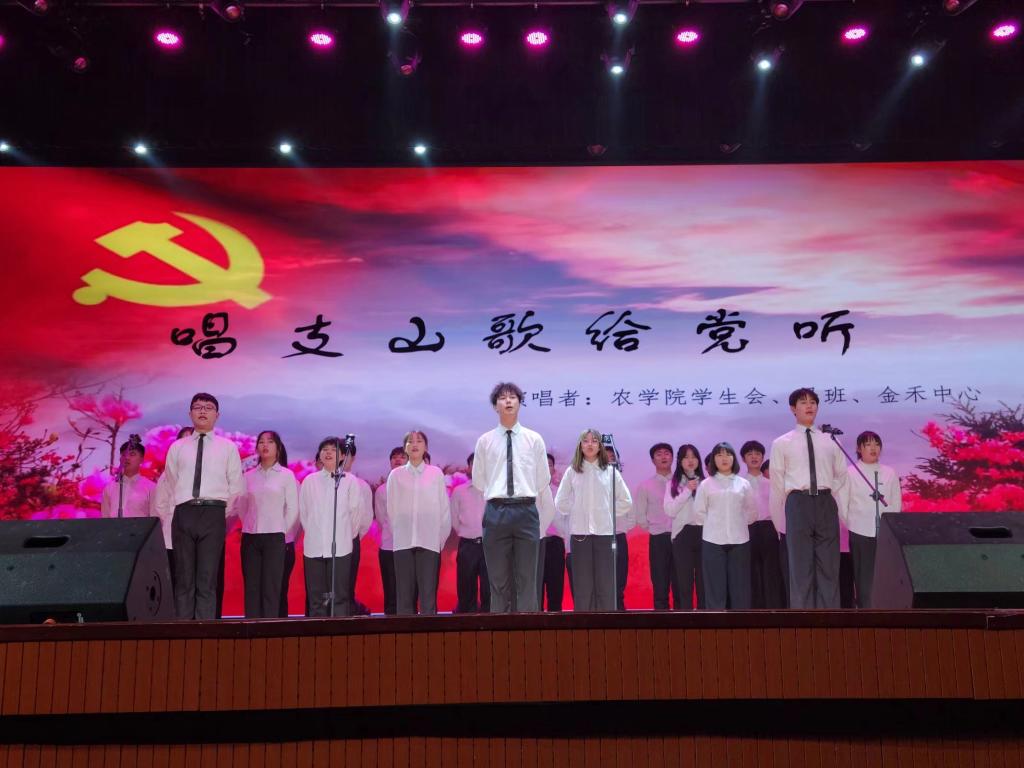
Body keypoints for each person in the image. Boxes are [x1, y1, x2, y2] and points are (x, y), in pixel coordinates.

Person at [471, 382, 554, 613]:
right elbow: (479, 480)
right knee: (498, 580)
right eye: (502, 398)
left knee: (527, 579)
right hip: (496, 512)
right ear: (495, 406)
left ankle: (529, 629)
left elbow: (542, 479)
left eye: (513, 397)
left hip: (526, 511)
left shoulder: (533, 439)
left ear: (519, 403)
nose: (508, 401)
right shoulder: (485, 441)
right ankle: (499, 630)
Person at [162, 394, 243, 620]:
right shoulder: (177, 447)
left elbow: (236, 487)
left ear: (217, 415)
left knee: (207, 580)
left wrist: (221, 515)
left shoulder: (227, 448)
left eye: (208, 407)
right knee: (184, 579)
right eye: (197, 407)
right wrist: (184, 504)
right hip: (185, 512)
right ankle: (183, 632)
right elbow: (172, 480)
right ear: (190, 414)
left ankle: (204, 633)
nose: (203, 411)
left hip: (213, 513)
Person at [769, 388, 848, 609]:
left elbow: (841, 474)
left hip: (825, 502)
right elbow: (777, 482)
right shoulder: (781, 443)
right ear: (793, 409)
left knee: (829, 565)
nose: (809, 406)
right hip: (798, 503)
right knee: (800, 567)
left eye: (813, 402)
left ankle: (830, 618)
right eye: (803, 402)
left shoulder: (831, 440)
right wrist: (781, 518)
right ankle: (802, 620)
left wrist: (827, 490)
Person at [555, 429, 632, 612]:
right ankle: (583, 625)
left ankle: (606, 624)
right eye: (586, 441)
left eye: (594, 441)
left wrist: (606, 512)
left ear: (599, 446)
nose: (590, 444)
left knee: (606, 585)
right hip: (580, 535)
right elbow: (560, 502)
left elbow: (626, 501)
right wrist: (577, 511)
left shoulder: (610, 472)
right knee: (583, 587)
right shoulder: (572, 471)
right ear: (580, 446)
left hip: (605, 535)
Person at [299, 437, 371, 617]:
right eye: (324, 449)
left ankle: (338, 632)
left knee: (339, 597)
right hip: (314, 548)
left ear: (342, 456)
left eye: (333, 449)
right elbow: (304, 514)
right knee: (317, 598)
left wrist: (344, 536)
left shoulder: (350, 481)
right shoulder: (309, 481)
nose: (328, 452)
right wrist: (316, 533)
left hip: (341, 548)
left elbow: (355, 515)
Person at [386, 430, 451, 615]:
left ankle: (428, 633)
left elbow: (444, 510)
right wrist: (400, 534)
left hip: (429, 542)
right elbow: (392, 510)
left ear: (426, 447)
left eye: (419, 441)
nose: (414, 444)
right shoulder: (396, 475)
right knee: (404, 598)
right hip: (403, 542)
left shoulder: (435, 473)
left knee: (428, 598)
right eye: (410, 441)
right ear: (405, 447)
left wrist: (438, 541)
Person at [238, 430, 298, 619]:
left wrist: (281, 530)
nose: (265, 445)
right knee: (252, 588)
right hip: (250, 537)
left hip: (275, 537)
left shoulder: (286, 475)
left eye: (270, 442)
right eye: (261, 442)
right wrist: (250, 524)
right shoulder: (248, 476)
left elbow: (293, 508)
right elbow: (242, 506)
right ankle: (251, 629)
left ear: (278, 448)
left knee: (271, 588)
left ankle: (269, 629)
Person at [840, 431, 902, 609]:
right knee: (864, 578)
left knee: (886, 575)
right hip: (859, 531)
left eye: (876, 444)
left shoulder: (889, 473)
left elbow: (896, 503)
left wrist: (890, 526)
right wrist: (853, 524)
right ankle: (866, 612)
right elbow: (843, 504)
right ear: (859, 449)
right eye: (868, 444)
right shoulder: (850, 472)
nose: (873, 448)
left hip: (886, 534)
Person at [696, 443, 758, 610]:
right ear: (713, 460)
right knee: (715, 590)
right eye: (719, 455)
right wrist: (714, 526)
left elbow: (752, 512)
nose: (724, 459)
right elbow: (699, 513)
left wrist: (738, 523)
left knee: (741, 590)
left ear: (734, 458)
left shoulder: (743, 484)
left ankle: (740, 623)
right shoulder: (706, 484)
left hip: (740, 541)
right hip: (713, 542)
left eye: (728, 454)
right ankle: (715, 623)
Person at [633, 442, 680, 610]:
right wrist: (654, 528)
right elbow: (640, 515)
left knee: (681, 583)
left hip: (680, 538)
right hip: (658, 539)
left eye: (667, 453)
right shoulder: (645, 486)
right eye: (659, 454)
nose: (663, 457)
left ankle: (684, 619)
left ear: (673, 458)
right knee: (660, 583)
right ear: (653, 460)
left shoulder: (682, 483)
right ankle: (661, 621)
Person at [741, 440, 785, 609]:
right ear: (743, 459)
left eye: (758, 454)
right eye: (750, 454)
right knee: (751, 572)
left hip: (769, 529)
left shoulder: (772, 483)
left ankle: (773, 609)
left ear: (762, 457)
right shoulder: (739, 484)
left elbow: (779, 509)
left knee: (771, 573)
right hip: (746, 530)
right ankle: (753, 611)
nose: (754, 457)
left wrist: (778, 531)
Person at [664, 444, 706, 610]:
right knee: (684, 581)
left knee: (704, 581)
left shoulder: (707, 483)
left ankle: (705, 615)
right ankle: (686, 616)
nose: (690, 460)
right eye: (686, 457)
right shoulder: (672, 484)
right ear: (680, 461)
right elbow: (670, 511)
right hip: (682, 534)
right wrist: (687, 490)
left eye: (693, 457)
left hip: (705, 533)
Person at [452, 452, 489, 612]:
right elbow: (454, 519)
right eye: (474, 464)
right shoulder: (459, 491)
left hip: (491, 546)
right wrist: (467, 532)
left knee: (490, 591)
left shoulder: (496, 491)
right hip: (467, 545)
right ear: (469, 467)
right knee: (466, 590)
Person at [374, 446, 408, 615]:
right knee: (390, 589)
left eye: (402, 457)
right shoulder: (382, 490)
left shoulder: (415, 487)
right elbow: (381, 519)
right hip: (389, 546)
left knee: (409, 590)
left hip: (410, 546)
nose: (397, 460)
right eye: (394, 457)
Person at [340, 441, 373, 616]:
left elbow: (366, 518)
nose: (342, 458)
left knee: (348, 583)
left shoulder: (361, 485)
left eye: (346, 454)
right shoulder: (323, 481)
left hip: (352, 539)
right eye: (339, 453)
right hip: (325, 540)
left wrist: (353, 535)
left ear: (353, 458)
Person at [537, 453, 568, 611]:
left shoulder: (560, 493)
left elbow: (567, 521)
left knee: (555, 591)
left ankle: (556, 624)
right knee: (535, 591)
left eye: (549, 464)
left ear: (553, 469)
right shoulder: (528, 494)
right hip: (535, 545)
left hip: (555, 544)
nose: (545, 467)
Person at [603, 445, 632, 610]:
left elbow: (632, 513)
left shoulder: (623, 483)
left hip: (619, 536)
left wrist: (621, 527)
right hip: (600, 537)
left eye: (612, 457)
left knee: (619, 580)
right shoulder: (593, 483)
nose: (609, 460)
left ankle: (619, 614)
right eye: (605, 457)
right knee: (603, 581)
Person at [101, 437, 157, 521]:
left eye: (132, 454)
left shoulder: (151, 487)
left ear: (142, 459)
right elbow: (105, 519)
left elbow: (155, 519)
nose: (127, 457)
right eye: (123, 455)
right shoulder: (110, 488)